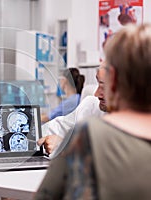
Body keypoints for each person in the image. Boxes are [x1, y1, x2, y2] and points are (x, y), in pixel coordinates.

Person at [35, 23, 151, 200]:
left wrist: (65, 147)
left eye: (103, 84)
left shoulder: (90, 135)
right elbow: (53, 128)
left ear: (115, 80)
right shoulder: (91, 106)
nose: (96, 93)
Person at [38, 64, 107, 156]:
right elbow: (60, 126)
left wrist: (64, 144)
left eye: (103, 86)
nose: (96, 93)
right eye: (98, 83)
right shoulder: (90, 105)